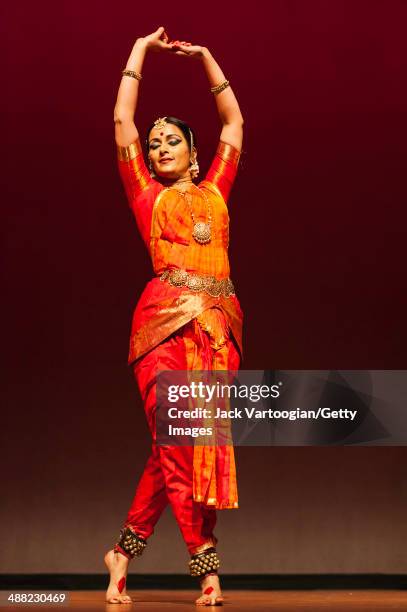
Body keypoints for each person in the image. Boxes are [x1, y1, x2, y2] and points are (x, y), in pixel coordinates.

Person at [104, 26, 244, 606]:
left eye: (170, 141)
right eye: (154, 141)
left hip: (219, 328)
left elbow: (234, 124)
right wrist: (139, 50)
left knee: (188, 448)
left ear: (192, 152)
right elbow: (121, 123)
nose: (158, 147)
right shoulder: (145, 194)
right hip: (163, 324)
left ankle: (122, 552)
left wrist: (208, 59)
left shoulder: (216, 190)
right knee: (176, 440)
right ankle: (205, 567)